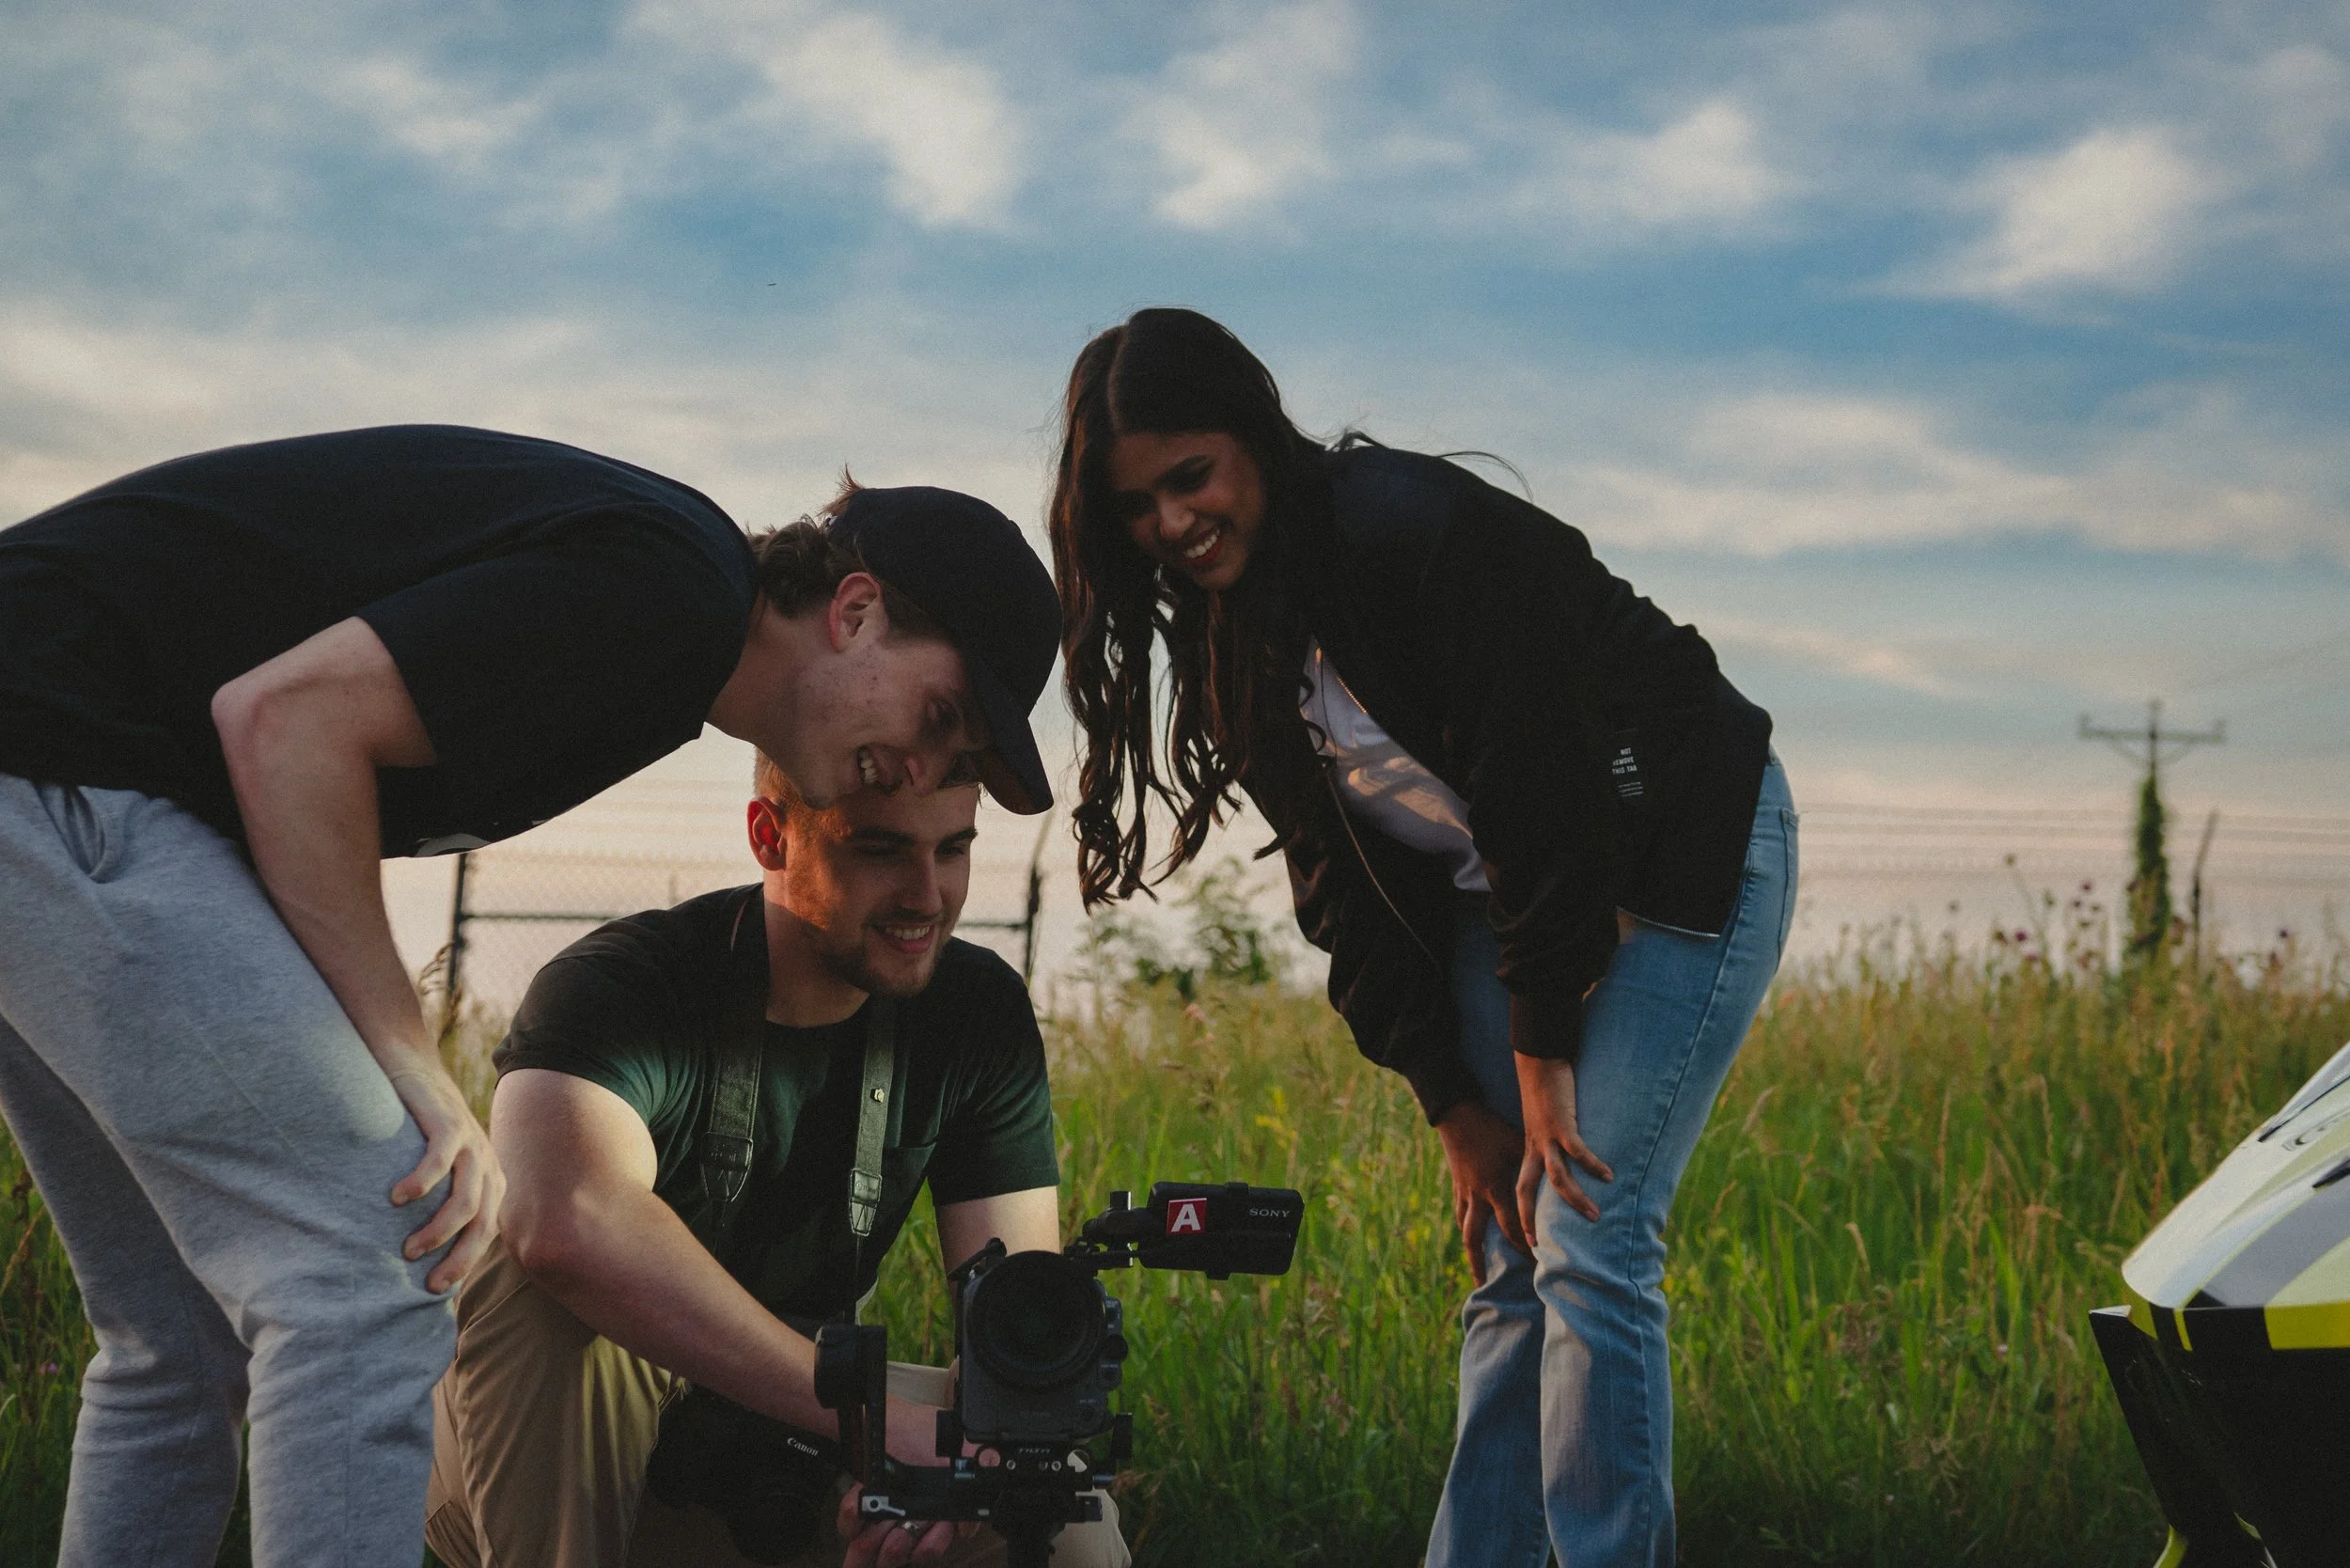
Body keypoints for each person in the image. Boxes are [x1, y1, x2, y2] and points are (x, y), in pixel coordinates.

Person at [0, 429, 1062, 1568]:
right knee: (374, 1263)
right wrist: (412, 1067)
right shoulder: (678, 593)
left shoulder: (670, 638)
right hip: (58, 765)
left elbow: (282, 752)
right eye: (939, 717)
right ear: (853, 612)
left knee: (179, 1341)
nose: (918, 767)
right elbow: (287, 722)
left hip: (60, 774)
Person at [1046, 309, 1797, 1568]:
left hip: (1674, 847)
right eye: (1139, 505)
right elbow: (1340, 892)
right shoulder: (1241, 642)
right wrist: (1456, 1104)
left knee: (1590, 1230)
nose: (1175, 523)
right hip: (1504, 883)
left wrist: (1543, 1060)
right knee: (1510, 1240)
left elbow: (1543, 785)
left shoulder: (1409, 531)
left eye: (1193, 476)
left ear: (1256, 440)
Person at [424, 755, 1128, 1568]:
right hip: (544, 1472)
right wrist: (872, 1424)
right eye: (878, 850)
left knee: (1053, 1497)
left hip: (787, 1456)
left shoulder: (975, 1012)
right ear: (771, 836)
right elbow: (560, 1225)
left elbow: (1012, 1326)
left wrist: (950, 1478)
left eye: (952, 851)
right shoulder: (622, 985)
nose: (927, 896)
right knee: (540, 1293)